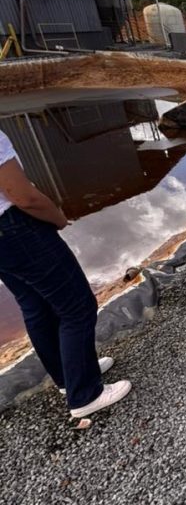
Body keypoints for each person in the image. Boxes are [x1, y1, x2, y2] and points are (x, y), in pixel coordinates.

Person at [0, 129, 131, 418]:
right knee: (77, 307)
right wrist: (57, 217)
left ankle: (68, 378)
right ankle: (85, 394)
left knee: (36, 306)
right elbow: (23, 197)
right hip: (15, 230)